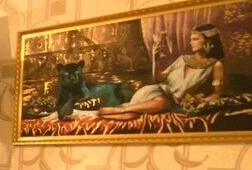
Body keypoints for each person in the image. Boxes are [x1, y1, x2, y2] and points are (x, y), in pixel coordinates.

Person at [97, 24, 226, 119]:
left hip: (170, 103)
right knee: (163, 103)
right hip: (155, 92)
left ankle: (109, 112)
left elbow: (216, 93)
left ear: (209, 41)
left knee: (131, 116)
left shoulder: (215, 65)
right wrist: (155, 60)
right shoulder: (182, 59)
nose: (190, 42)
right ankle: (120, 109)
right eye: (191, 38)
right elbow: (158, 79)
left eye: (195, 39)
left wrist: (202, 102)